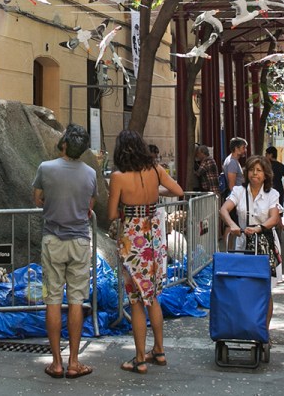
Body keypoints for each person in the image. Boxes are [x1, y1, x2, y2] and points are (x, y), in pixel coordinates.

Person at [107, 130, 184, 374]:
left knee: (136, 300)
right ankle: (159, 350)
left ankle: (140, 359)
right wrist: (156, 192)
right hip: (153, 238)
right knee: (152, 296)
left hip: (132, 240)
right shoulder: (156, 170)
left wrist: (126, 209)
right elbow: (178, 191)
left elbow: (111, 214)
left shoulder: (118, 177)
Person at [33, 124, 97, 379]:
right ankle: (74, 362)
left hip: (52, 240)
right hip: (80, 241)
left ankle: (56, 363)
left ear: (65, 144)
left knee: (52, 300)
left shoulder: (45, 168)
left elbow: (37, 198)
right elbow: (90, 206)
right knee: (76, 301)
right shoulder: (91, 173)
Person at [219, 156, 282, 336]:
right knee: (242, 286)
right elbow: (224, 209)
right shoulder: (239, 191)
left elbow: (274, 218)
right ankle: (243, 327)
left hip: (264, 244)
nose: (255, 173)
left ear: (265, 174)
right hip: (243, 244)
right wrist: (232, 224)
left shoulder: (272, 194)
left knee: (265, 288)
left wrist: (259, 228)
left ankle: (264, 331)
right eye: (252, 170)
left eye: (259, 170)